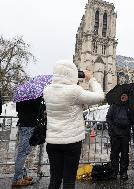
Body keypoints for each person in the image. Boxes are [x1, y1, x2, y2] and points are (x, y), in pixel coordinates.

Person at [43, 60, 104, 189]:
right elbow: (100, 96)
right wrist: (91, 79)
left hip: (53, 142)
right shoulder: (75, 91)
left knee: (54, 180)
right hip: (71, 142)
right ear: (71, 74)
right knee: (69, 181)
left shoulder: (47, 90)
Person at [12, 97, 43, 186]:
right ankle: (17, 179)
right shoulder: (36, 97)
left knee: (24, 152)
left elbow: (18, 110)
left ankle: (22, 175)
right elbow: (39, 112)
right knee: (23, 152)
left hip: (22, 123)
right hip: (29, 125)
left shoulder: (21, 96)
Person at [106, 92, 134, 180]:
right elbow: (108, 118)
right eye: (122, 95)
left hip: (125, 135)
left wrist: (131, 113)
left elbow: (133, 120)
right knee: (114, 154)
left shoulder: (130, 107)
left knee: (125, 154)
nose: (123, 96)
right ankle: (114, 172)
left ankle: (123, 172)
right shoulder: (114, 106)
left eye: (125, 95)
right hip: (115, 135)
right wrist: (112, 130)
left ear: (128, 97)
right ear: (119, 96)